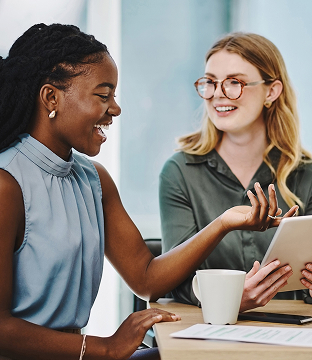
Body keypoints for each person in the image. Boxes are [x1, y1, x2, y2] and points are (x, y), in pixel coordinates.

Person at [0, 24, 299, 360]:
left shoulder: (93, 179)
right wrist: (105, 347)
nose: (115, 109)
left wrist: (224, 222)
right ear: (51, 98)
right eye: (103, 95)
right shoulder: (6, 184)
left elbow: (146, 279)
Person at [160, 32, 312, 312]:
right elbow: (172, 277)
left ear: (271, 91)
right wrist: (222, 296)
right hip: (207, 334)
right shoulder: (179, 172)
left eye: (234, 82)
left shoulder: (307, 175)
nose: (218, 94)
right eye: (210, 82)